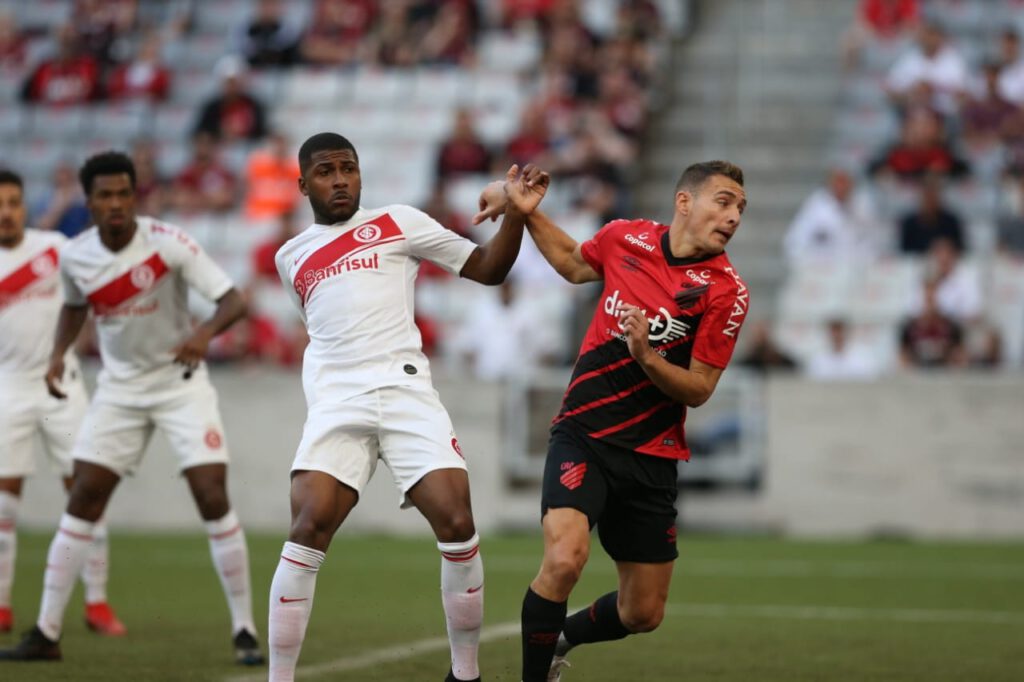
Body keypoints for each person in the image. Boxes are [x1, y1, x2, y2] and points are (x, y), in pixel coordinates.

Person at [266, 132, 548, 682]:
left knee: (457, 520)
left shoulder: (399, 221)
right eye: (325, 171)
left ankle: (464, 674)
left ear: (361, 174)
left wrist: (514, 213)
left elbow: (488, 269)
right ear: (303, 185)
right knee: (307, 526)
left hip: (404, 391)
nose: (340, 179)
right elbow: (322, 329)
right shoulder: (289, 256)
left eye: (348, 167)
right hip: (336, 400)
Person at [0, 152, 264, 666]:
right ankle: (47, 633)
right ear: (90, 201)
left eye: (124, 193)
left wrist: (203, 334)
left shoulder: (169, 243)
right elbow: (74, 307)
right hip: (119, 392)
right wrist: (57, 356)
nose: (117, 203)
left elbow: (233, 299)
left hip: (181, 384)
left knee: (211, 494)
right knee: (83, 499)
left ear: (134, 197)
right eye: (105, 195)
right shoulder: (75, 257)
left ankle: (245, 629)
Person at [503, 161, 751, 681]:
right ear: (685, 202)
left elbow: (701, 389)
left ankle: (563, 636)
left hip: (651, 456)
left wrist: (647, 356)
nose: (733, 216)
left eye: (740, 209)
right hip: (584, 434)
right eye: (723, 201)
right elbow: (574, 262)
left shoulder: (726, 291)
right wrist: (530, 216)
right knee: (566, 558)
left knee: (643, 613)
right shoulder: (625, 238)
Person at [0, 169, 124, 637]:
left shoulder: (55, 247)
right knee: (4, 505)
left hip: (62, 386)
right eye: (0, 203)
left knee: (86, 493)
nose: (6, 211)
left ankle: (97, 602)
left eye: (13, 201)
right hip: (8, 388)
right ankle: (3, 606)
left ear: (23, 205)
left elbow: (97, 287)